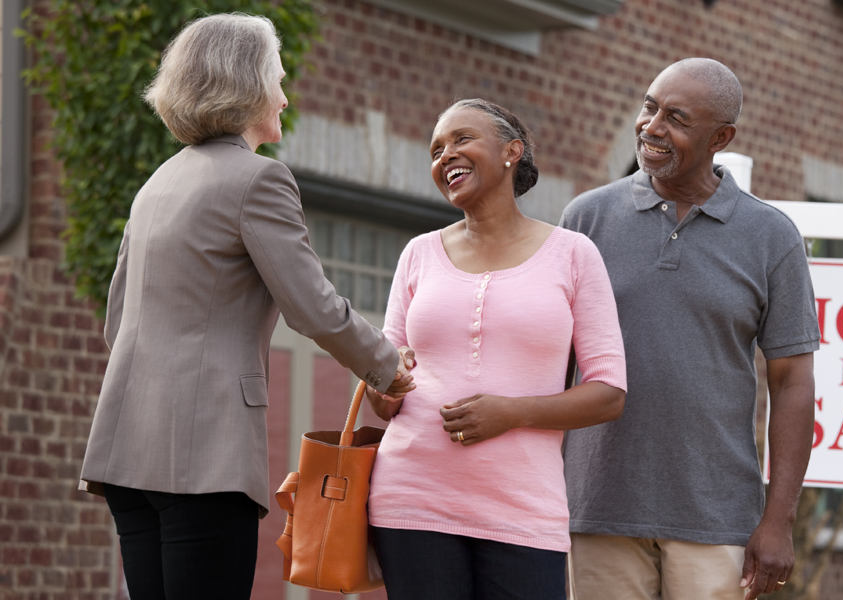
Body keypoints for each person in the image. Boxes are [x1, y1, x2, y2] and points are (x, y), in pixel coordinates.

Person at [79, 14, 412, 600]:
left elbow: (116, 322)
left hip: (128, 446)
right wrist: (389, 368)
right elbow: (312, 306)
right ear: (248, 86)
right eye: (278, 80)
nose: (285, 96)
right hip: (204, 452)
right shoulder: (259, 181)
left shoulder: (156, 184)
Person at [560, 58, 821, 600]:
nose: (652, 127)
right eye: (649, 106)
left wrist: (779, 520)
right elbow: (553, 362)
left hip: (716, 514)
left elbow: (792, 381)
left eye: (676, 118)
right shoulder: (585, 220)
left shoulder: (771, 237)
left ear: (721, 137)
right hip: (596, 503)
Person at [365, 98, 627, 599]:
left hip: (524, 509)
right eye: (436, 149)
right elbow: (384, 401)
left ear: (512, 151)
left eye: (461, 139)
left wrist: (511, 413)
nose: (445, 156)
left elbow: (609, 394)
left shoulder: (573, 255)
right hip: (412, 499)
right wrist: (385, 377)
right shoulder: (418, 254)